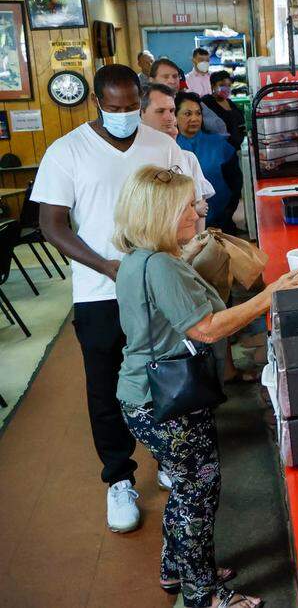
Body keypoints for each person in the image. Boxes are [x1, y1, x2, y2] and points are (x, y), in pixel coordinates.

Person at [112, 164, 298, 608]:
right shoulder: (161, 266)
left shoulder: (138, 259)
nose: (196, 213)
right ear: (159, 213)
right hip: (165, 399)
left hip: (140, 395)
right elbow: (207, 329)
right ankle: (204, 594)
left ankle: (176, 567)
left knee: (185, 487)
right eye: (186, 206)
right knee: (198, 492)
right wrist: (271, 292)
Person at [31, 63, 183, 533]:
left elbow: (182, 203)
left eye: (130, 107)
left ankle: (169, 457)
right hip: (99, 290)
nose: (122, 115)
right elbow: (51, 224)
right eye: (112, 108)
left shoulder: (161, 145)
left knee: (164, 375)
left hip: (157, 284)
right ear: (97, 102)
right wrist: (106, 267)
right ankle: (119, 479)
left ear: (141, 99)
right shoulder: (67, 152)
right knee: (105, 384)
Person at [141, 82, 214, 233]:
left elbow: (199, 210)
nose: (169, 118)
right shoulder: (137, 156)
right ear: (141, 112)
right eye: (160, 111)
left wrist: (198, 246)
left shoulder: (186, 158)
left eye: (172, 111)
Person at [175, 93, 241, 233]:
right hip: (183, 224)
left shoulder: (219, 144)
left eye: (198, 113)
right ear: (175, 117)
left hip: (221, 221)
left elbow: (235, 182)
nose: (194, 118)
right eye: (187, 114)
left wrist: (227, 213)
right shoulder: (170, 148)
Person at [153, 56, 228, 138]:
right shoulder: (146, 107)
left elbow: (217, 125)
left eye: (175, 77)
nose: (172, 81)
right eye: (165, 77)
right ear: (152, 80)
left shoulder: (191, 101)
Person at [203, 70, 247, 150]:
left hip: (235, 149)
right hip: (218, 150)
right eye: (222, 85)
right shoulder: (206, 103)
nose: (226, 89)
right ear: (213, 86)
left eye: (228, 86)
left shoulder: (230, 103)